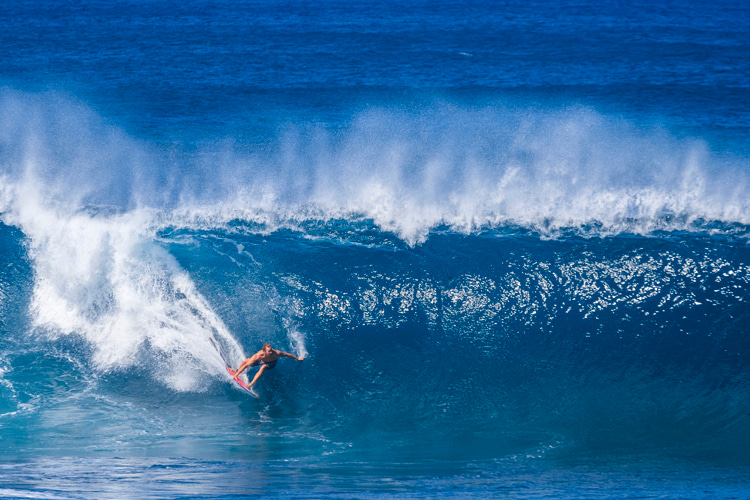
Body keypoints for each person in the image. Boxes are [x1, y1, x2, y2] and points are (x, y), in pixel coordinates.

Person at [231, 343, 304, 390]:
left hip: (272, 363)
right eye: (269, 351)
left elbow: (287, 355)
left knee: (263, 367)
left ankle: (250, 384)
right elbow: (247, 365)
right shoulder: (258, 355)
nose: (271, 352)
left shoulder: (276, 353)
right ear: (264, 351)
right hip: (263, 360)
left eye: (271, 350)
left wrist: (297, 358)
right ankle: (237, 371)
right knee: (246, 361)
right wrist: (236, 375)